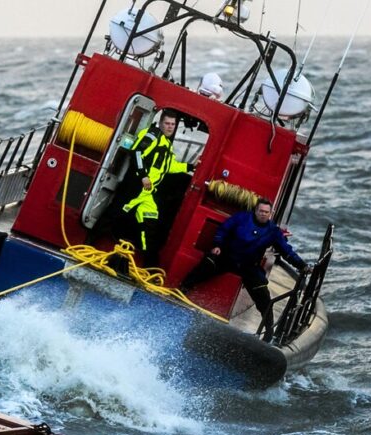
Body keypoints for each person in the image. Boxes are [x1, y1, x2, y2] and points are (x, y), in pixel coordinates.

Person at [180, 198, 310, 342]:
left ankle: (268, 329)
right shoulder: (241, 218)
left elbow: (287, 251)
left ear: (270, 214)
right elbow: (223, 230)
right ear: (255, 210)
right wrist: (217, 245)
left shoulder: (273, 231)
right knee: (208, 262)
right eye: (261, 211)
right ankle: (183, 289)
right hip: (227, 257)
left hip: (248, 266)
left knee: (261, 290)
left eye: (266, 212)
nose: (263, 214)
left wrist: (301, 265)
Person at [112, 109, 195, 266]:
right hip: (136, 187)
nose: (170, 127)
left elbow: (169, 166)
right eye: (167, 124)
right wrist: (143, 175)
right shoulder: (152, 135)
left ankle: (149, 264)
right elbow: (137, 152)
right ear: (161, 123)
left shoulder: (166, 144)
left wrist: (190, 167)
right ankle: (93, 239)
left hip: (148, 193)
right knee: (117, 215)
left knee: (150, 226)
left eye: (173, 124)